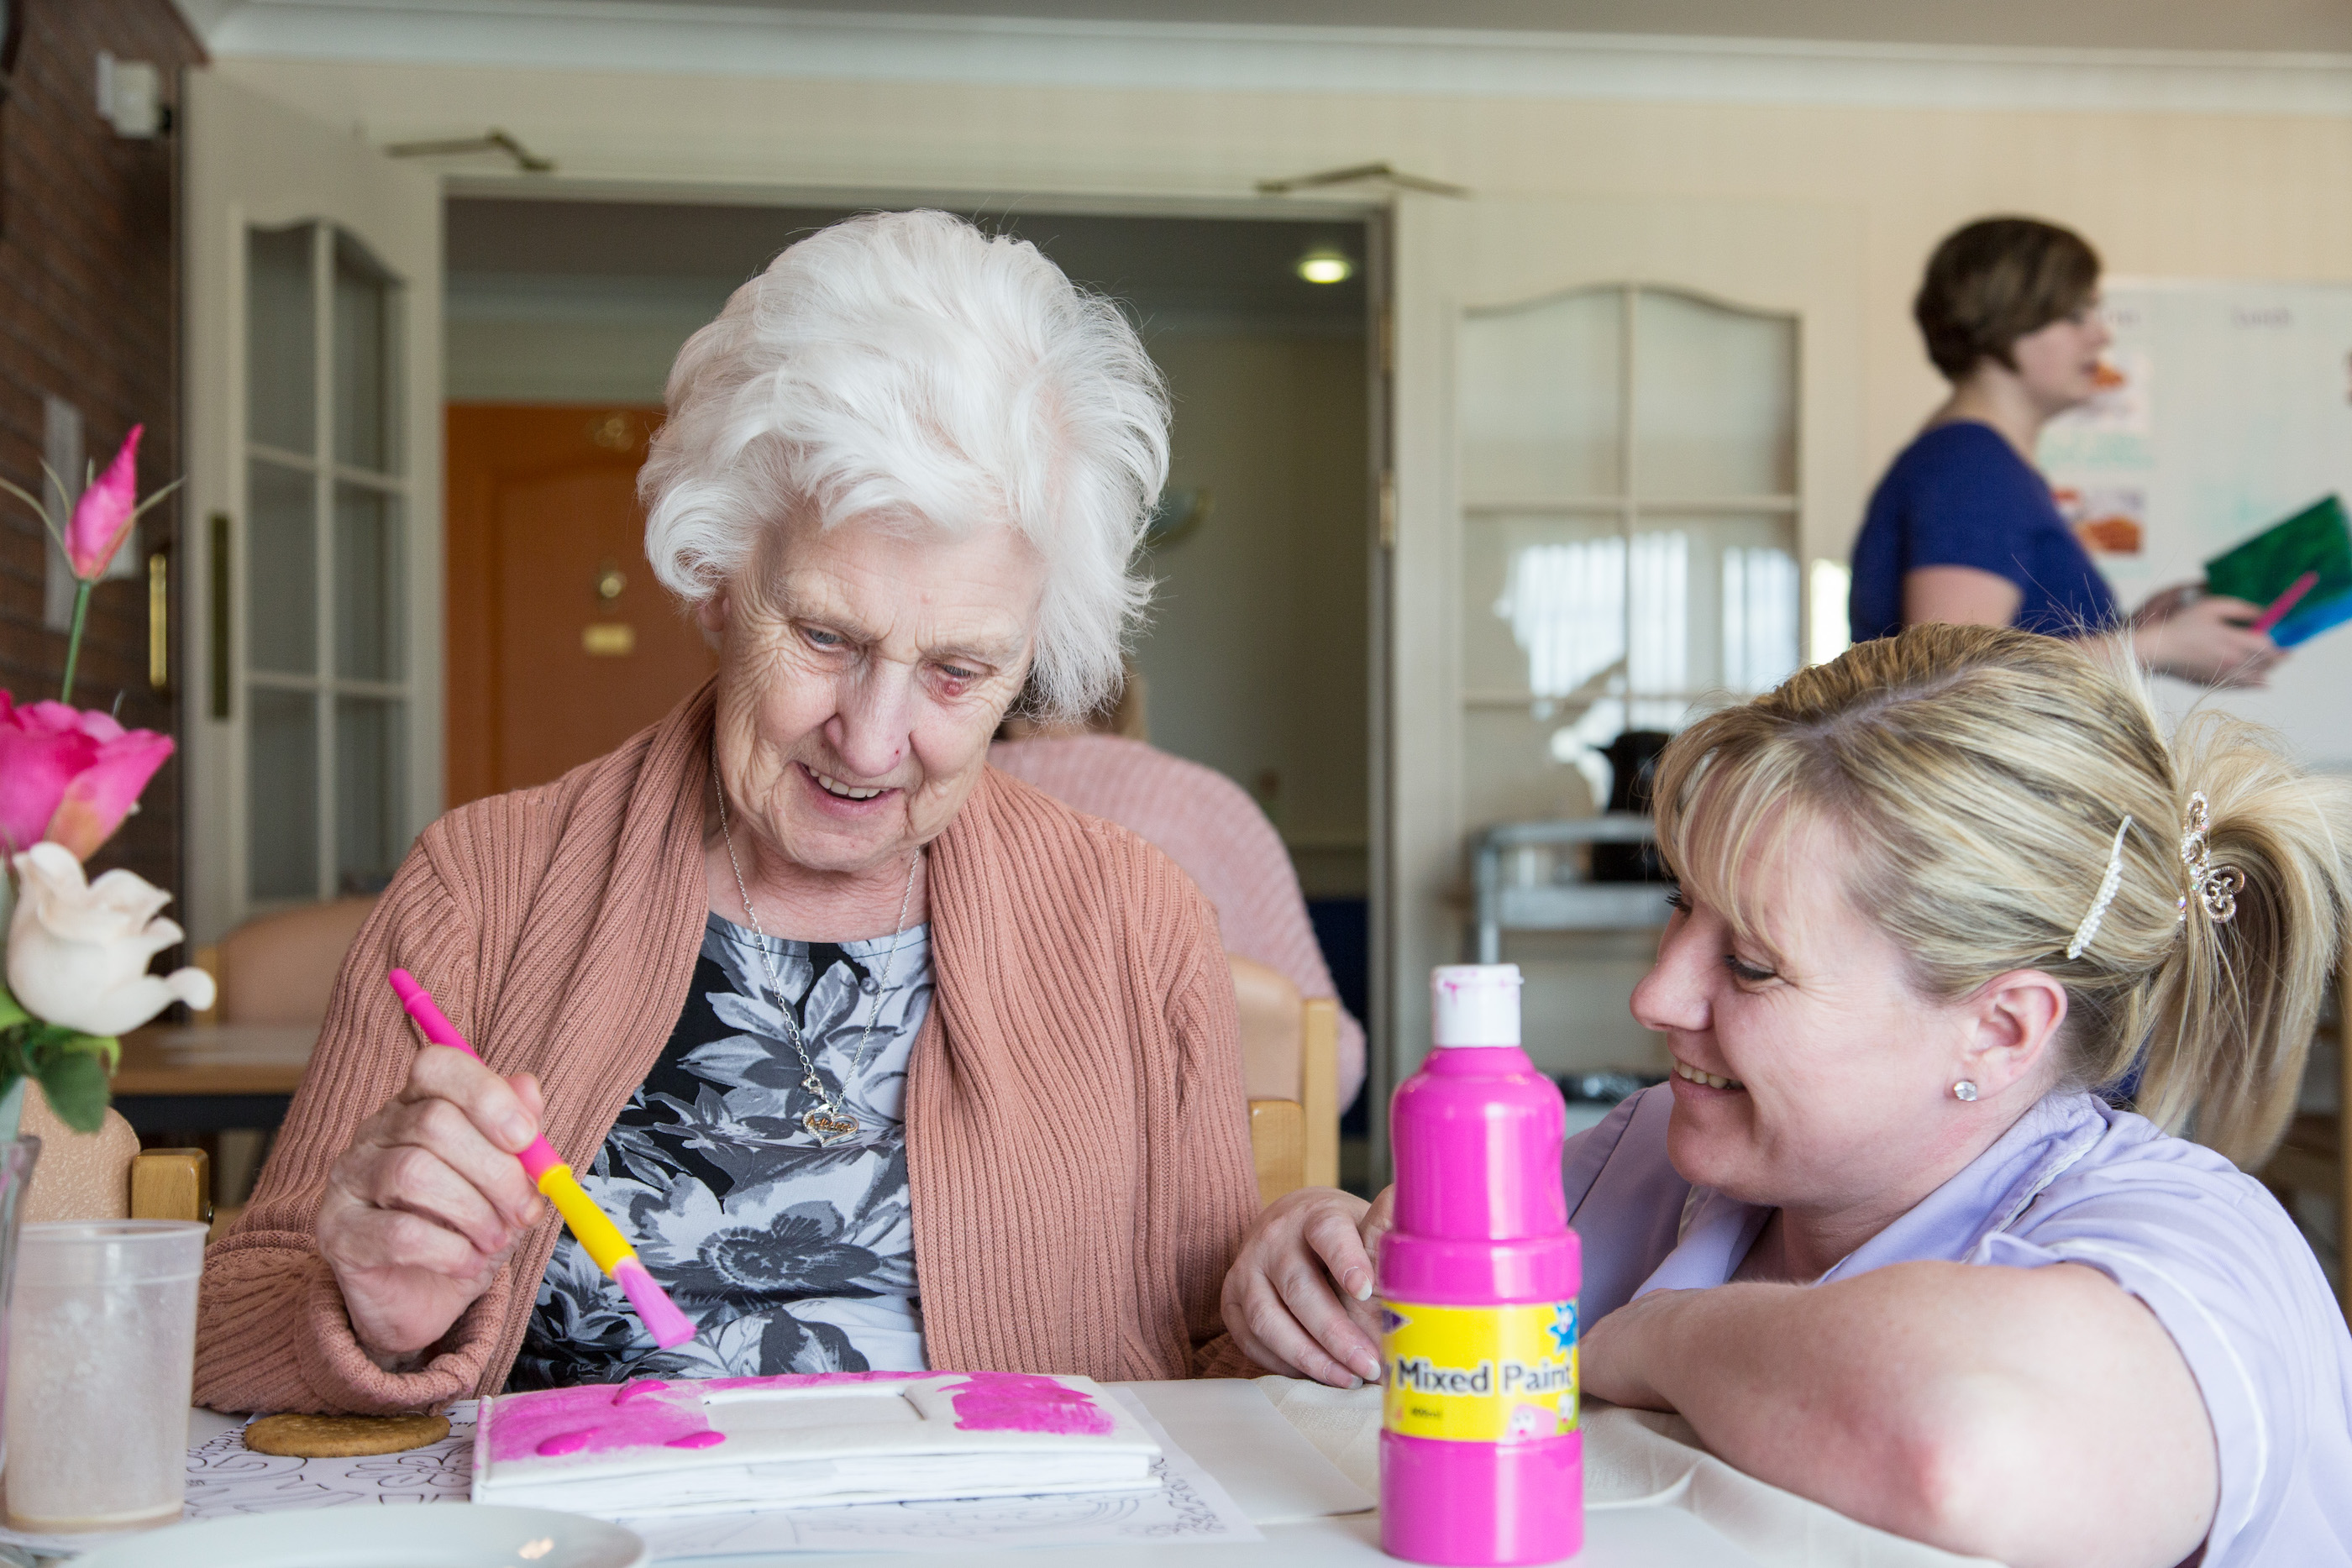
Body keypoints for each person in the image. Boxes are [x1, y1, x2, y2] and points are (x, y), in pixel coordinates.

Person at [196, 211, 1260, 1413]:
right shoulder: (483, 886)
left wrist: (1293, 1300)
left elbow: (1217, 1362)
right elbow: (225, 1334)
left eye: (959, 671)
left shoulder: (1136, 918)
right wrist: (366, 1310)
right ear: (714, 574)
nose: (869, 735)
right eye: (822, 635)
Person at [1223, 624, 2352, 1567]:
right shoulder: (1658, 1151)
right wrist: (1319, 1255)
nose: (1657, 992)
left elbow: (1963, 1443)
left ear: (2002, 1028)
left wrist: (1655, 1339)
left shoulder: (2194, 1240)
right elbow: (1443, 1331)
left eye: (1753, 963)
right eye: (1681, 907)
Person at [1849, 216, 2281, 689]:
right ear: (2003, 319)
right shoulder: (1970, 466)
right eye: (2076, 313)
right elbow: (1951, 678)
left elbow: (2010, 647)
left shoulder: (1976, 461)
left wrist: (2135, 632)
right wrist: (2157, 648)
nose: (2101, 335)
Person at [992, 670, 1369, 1109]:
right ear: (1123, 693)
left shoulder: (931, 811)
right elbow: (1334, 1059)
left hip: (977, 1158)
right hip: (1197, 1157)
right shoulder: (1207, 801)